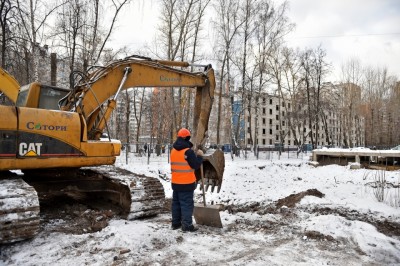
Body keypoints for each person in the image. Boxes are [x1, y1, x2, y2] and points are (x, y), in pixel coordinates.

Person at [170, 128, 203, 232]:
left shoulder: (173, 150)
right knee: (186, 204)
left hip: (175, 183)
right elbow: (196, 165)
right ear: (187, 138)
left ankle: (175, 224)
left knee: (176, 203)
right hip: (187, 183)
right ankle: (187, 225)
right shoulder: (188, 152)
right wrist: (200, 156)